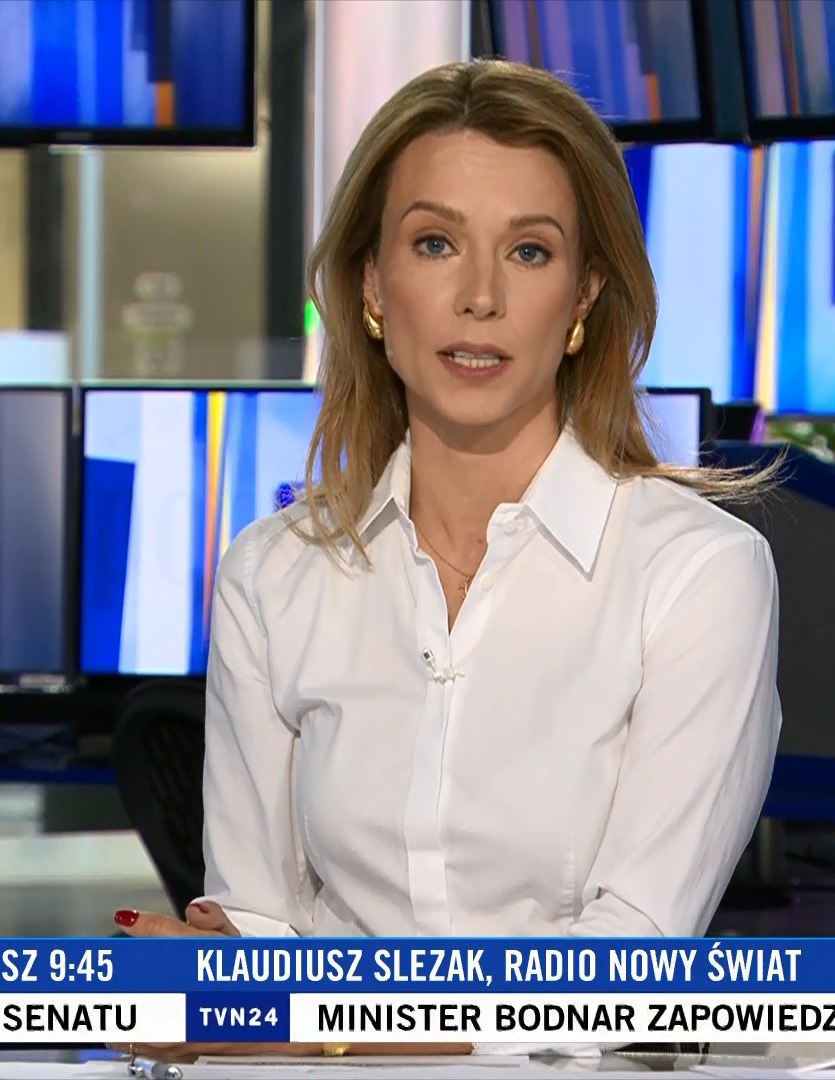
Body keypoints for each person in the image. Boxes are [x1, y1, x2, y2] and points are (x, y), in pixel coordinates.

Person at [114, 58, 783, 1060]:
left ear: (585, 295)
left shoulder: (700, 576)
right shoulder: (271, 576)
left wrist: (314, 1033)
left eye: (528, 251)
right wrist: (221, 987)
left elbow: (621, 975)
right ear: (372, 286)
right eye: (435, 243)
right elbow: (254, 938)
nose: (479, 297)